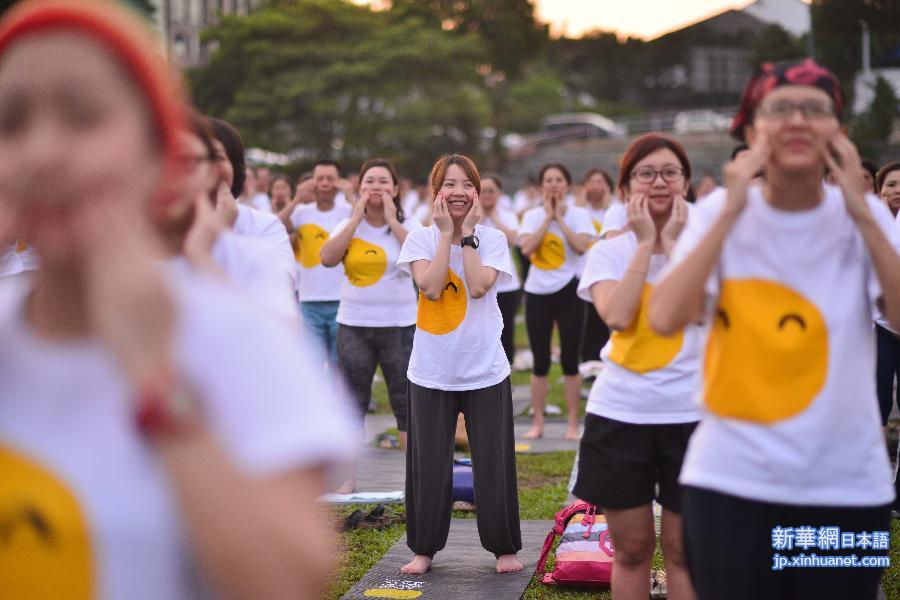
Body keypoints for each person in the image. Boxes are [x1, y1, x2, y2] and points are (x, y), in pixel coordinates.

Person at [0, 3, 356, 599]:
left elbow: (288, 579)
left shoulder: (234, 335)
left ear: (156, 149)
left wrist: (160, 380)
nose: (43, 151)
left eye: (82, 116)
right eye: (10, 122)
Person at [649, 59, 900, 600]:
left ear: (839, 131)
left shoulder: (865, 219)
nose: (797, 122)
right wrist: (732, 208)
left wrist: (861, 210)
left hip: (846, 486)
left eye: (815, 110)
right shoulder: (718, 212)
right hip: (730, 482)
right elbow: (665, 317)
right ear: (750, 128)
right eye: (779, 109)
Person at [573, 133, 699, 600]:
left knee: (686, 551)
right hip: (621, 416)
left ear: (686, 183)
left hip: (692, 414)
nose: (659, 182)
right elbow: (619, 316)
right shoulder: (610, 251)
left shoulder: (707, 248)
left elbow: (704, 311)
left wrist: (678, 246)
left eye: (670, 172)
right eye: (646, 174)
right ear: (627, 189)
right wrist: (647, 246)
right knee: (631, 550)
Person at [397, 154, 522, 576]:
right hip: (431, 369)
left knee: (494, 463)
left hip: (485, 367)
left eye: (466, 184)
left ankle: (504, 547)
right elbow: (430, 288)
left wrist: (466, 235)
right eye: (448, 184)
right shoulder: (418, 238)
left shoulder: (493, 238)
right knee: (428, 465)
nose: (458, 192)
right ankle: (424, 549)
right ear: (436, 193)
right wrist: (443, 236)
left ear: (477, 192)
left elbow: (479, 286)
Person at [320, 158, 417, 460]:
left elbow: (421, 260)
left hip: (400, 326)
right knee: (352, 402)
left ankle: (414, 485)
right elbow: (327, 258)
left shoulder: (410, 225)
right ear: (358, 188)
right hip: (353, 326)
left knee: (405, 403)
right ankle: (346, 479)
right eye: (369, 181)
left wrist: (392, 221)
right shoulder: (347, 225)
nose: (376, 187)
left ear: (396, 188)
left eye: (383, 181)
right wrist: (354, 219)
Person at [518, 163, 594, 440]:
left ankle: (573, 423)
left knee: (571, 360)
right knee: (540, 362)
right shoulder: (531, 216)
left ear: (567, 185)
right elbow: (526, 249)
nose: (553, 184)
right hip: (537, 293)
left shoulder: (579, 215)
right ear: (541, 186)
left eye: (558, 179)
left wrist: (560, 219)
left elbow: (581, 246)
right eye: (548, 180)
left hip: (569, 291)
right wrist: (547, 218)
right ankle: (537, 422)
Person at [283, 160, 352, 366]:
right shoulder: (302, 212)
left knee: (338, 365)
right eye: (319, 178)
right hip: (309, 301)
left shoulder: (348, 210)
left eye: (330, 179)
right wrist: (297, 198)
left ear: (338, 182)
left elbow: (366, 219)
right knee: (311, 364)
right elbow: (275, 226)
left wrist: (351, 196)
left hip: (342, 300)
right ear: (312, 182)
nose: (324, 183)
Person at [478, 174, 522, 364]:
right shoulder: (471, 215)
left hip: (507, 286)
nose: (487, 195)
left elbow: (513, 240)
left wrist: (494, 217)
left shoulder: (507, 214)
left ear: (499, 193)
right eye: (482, 191)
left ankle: (507, 373)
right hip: (479, 283)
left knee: (506, 332)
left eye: (491, 191)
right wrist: (480, 216)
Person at [576, 168, 615, 364]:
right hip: (582, 274)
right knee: (584, 323)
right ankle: (586, 363)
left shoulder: (614, 211)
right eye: (592, 182)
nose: (596, 186)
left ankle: (603, 362)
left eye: (600, 182)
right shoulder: (579, 211)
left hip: (608, 275)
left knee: (603, 321)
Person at [875, 161, 900, 426]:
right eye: (891, 185)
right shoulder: (869, 220)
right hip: (879, 325)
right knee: (879, 399)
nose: (897, 191)